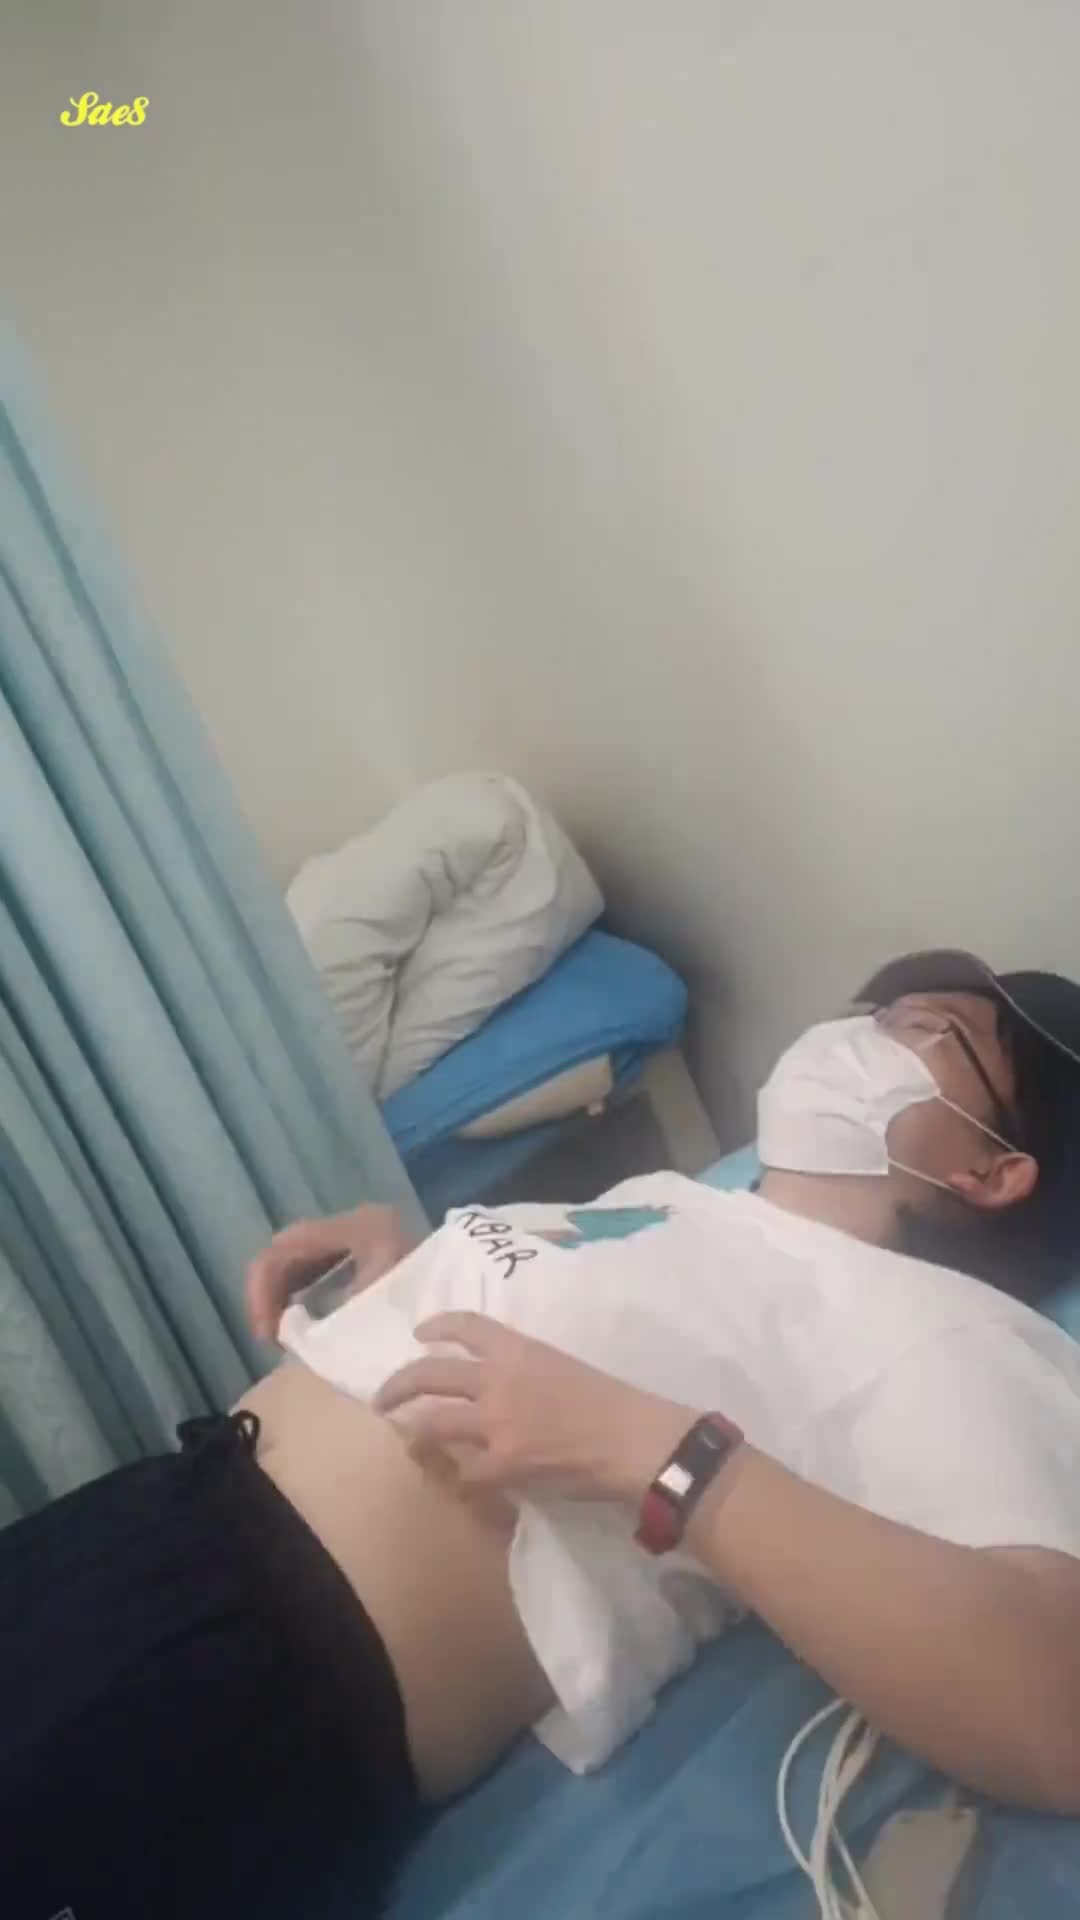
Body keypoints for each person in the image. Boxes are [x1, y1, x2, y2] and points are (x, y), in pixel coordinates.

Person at [8, 950, 1080, 1919]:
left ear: (994, 1171)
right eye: (877, 1007)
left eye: (932, 1029)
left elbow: (1053, 1709)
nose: (866, 1029)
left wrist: (666, 1458)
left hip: (250, 1675)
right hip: (155, 1515)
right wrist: (412, 1281)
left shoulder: (938, 1324)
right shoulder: (702, 1203)